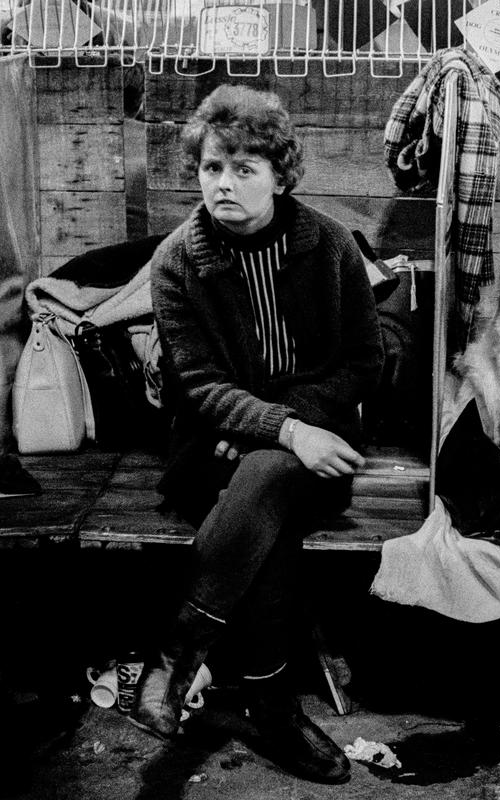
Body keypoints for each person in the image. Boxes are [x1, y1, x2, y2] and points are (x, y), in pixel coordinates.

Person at [133, 85, 383, 784]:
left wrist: (292, 426)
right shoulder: (179, 260)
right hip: (210, 438)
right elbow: (201, 385)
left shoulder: (328, 243)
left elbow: (364, 363)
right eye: (213, 168)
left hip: (314, 439)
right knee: (264, 497)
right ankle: (273, 707)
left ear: (280, 175)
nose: (224, 184)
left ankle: (180, 656)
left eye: (245, 169)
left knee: (269, 475)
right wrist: (280, 431)